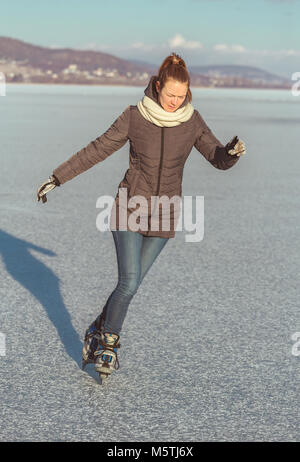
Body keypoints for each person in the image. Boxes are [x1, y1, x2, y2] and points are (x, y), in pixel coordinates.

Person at [37, 52, 246, 382]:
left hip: (164, 216)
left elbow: (215, 157)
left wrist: (230, 153)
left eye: (182, 95)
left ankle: (96, 330)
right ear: (158, 86)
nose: (176, 101)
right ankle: (109, 346)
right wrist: (59, 176)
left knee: (130, 287)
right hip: (129, 208)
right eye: (170, 94)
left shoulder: (192, 122)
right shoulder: (135, 117)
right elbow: (99, 147)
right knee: (129, 281)